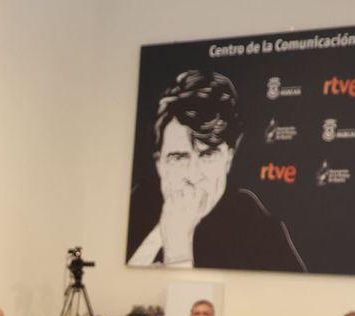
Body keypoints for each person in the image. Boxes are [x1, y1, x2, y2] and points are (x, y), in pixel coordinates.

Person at [126, 70, 304, 272]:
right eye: (179, 157)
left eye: (207, 155)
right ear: (160, 164)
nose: (193, 175)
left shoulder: (257, 229)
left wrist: (178, 250)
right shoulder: (140, 203)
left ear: (228, 159)